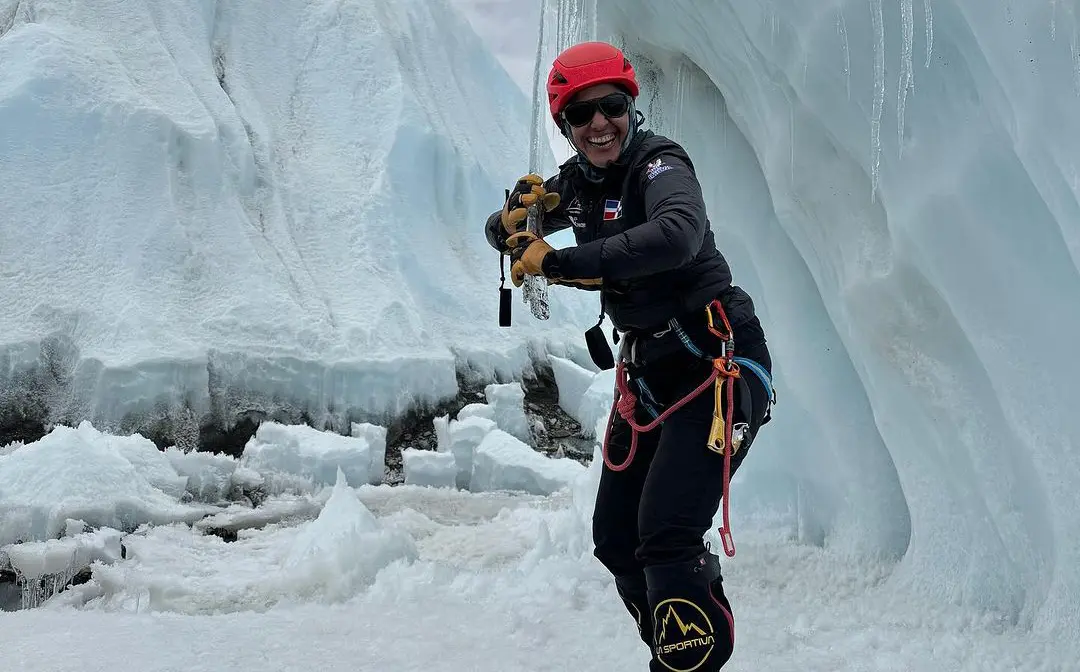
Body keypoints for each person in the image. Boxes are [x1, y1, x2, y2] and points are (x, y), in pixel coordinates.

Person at [483, 41, 775, 672]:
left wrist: (557, 261)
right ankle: (673, 652)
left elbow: (676, 235)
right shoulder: (578, 185)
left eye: (610, 106)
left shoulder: (658, 166)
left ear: (630, 106)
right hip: (649, 375)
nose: (598, 124)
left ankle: (686, 664)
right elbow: (500, 229)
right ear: (564, 125)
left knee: (666, 537)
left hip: (716, 366)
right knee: (617, 539)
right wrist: (514, 219)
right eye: (580, 115)